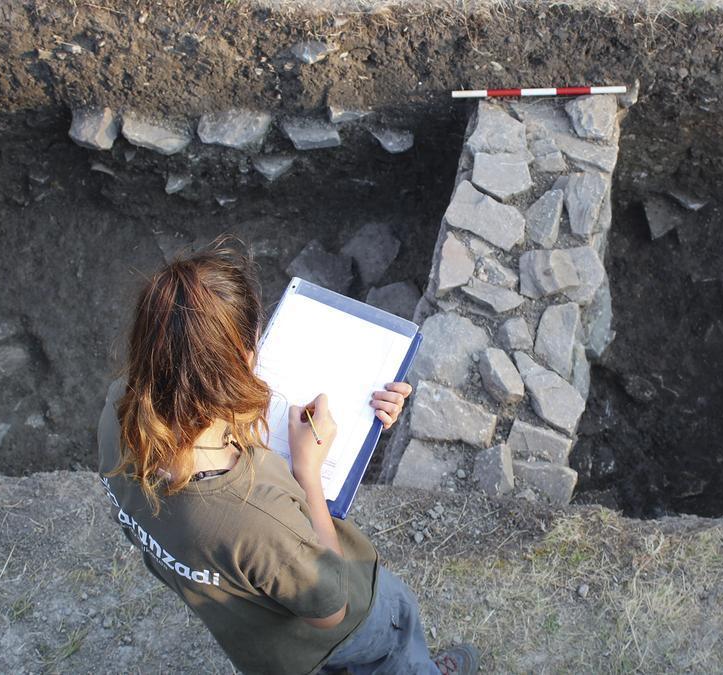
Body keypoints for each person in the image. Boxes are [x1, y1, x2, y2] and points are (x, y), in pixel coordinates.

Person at [96, 237, 478, 674]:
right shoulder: (258, 517)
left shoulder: (120, 413)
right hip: (339, 632)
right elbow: (333, 609)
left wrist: (363, 420)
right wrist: (309, 473)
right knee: (394, 638)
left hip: (263, 645)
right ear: (242, 356)